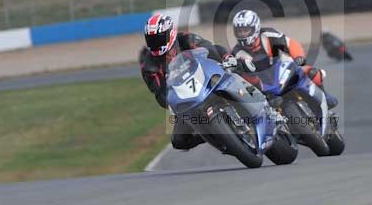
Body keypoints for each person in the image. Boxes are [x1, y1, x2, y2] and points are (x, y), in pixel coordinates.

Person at [141, 13, 236, 150]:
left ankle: (257, 97)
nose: (156, 43)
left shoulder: (185, 39)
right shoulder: (149, 66)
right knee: (179, 141)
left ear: (170, 33)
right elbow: (160, 94)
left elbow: (211, 49)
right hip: (185, 101)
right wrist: (172, 104)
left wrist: (226, 57)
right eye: (152, 39)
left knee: (235, 68)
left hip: (207, 79)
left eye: (159, 38)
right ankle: (214, 136)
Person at [230, 9, 338, 109]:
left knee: (313, 72)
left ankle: (324, 95)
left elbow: (290, 44)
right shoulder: (237, 52)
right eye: (239, 31)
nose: (243, 34)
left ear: (255, 28)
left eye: (245, 30)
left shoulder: (269, 34)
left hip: (281, 71)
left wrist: (299, 57)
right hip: (262, 88)